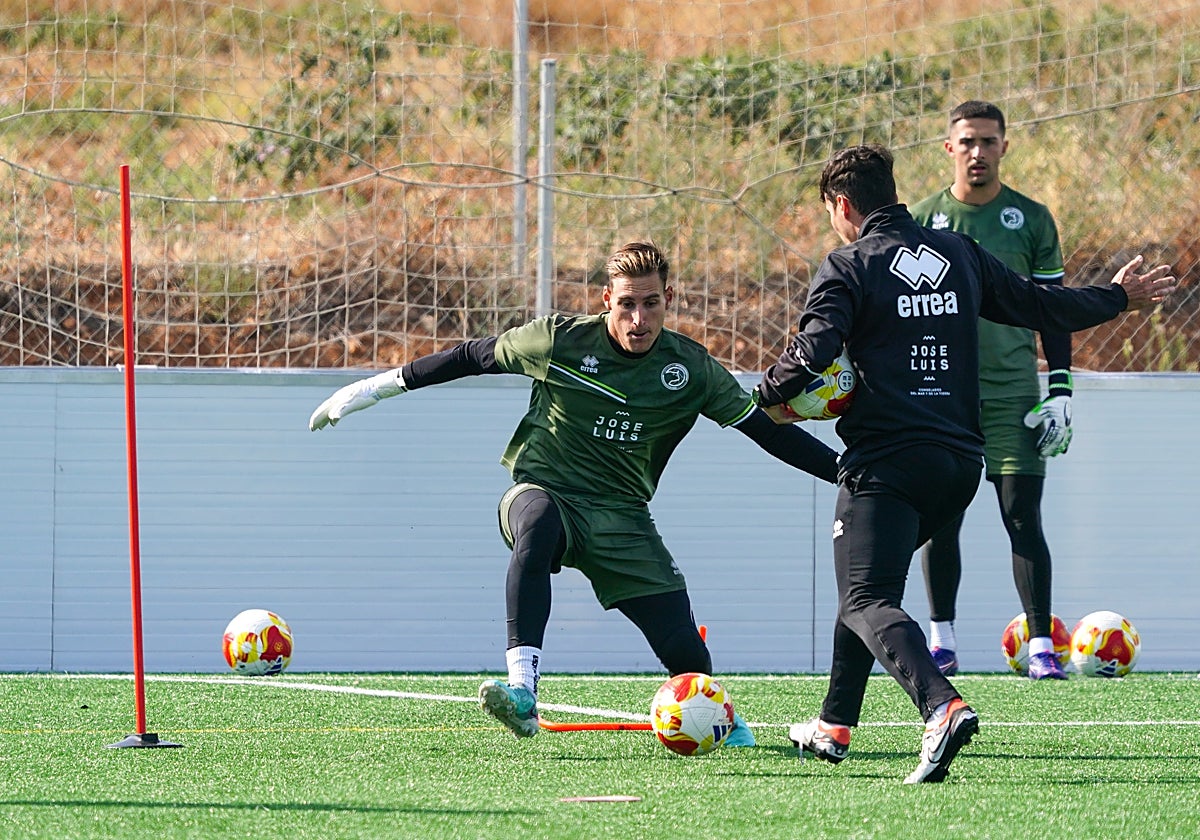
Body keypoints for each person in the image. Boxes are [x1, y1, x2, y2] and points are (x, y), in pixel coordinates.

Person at [308, 240, 841, 745]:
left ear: (669, 300)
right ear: (606, 299)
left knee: (685, 650)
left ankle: (722, 717)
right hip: (547, 491)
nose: (639, 320)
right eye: (627, 304)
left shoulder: (693, 369)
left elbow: (766, 431)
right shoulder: (560, 340)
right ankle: (522, 691)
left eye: (651, 304)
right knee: (535, 525)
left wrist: (846, 470)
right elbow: (472, 354)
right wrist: (375, 388)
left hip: (622, 518)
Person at [753, 144, 1174, 783]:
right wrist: (1116, 298)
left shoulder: (848, 264)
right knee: (865, 591)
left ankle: (941, 707)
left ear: (843, 206)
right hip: (958, 464)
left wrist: (767, 393)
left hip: (887, 461)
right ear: (892, 193)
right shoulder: (958, 255)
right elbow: (1042, 306)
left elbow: (814, 350)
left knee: (865, 595)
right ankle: (834, 726)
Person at [910, 100, 1074, 680]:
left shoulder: (1030, 219)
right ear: (948, 149)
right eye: (968, 142)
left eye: (988, 141)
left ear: (1005, 146)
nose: (978, 152)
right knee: (941, 520)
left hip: (1013, 397)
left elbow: (1052, 310)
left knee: (1022, 517)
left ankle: (1040, 648)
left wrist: (1060, 388)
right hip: (944, 397)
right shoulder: (923, 220)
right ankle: (941, 640)